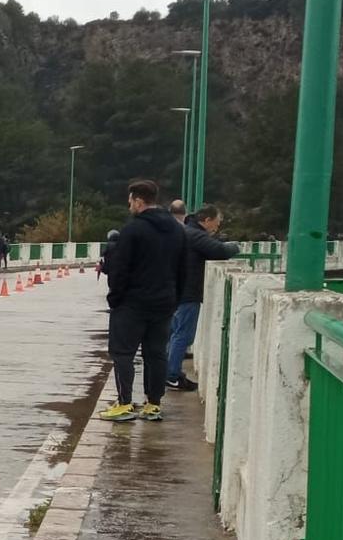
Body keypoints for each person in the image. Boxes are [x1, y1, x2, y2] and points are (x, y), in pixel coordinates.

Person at [99, 179, 187, 422]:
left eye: (130, 201)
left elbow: (120, 269)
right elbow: (183, 269)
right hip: (164, 303)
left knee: (122, 353)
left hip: (132, 303)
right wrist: (174, 297)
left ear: (138, 201)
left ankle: (125, 403)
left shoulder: (133, 230)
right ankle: (153, 404)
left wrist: (115, 298)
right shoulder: (177, 229)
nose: (129, 206)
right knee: (156, 353)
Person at [166, 205, 239, 391]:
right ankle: (171, 375)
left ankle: (168, 371)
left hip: (177, 291)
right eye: (217, 221)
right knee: (184, 335)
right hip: (188, 293)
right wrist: (234, 246)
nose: (218, 226)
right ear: (206, 220)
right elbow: (220, 251)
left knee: (175, 333)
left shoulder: (185, 231)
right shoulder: (196, 235)